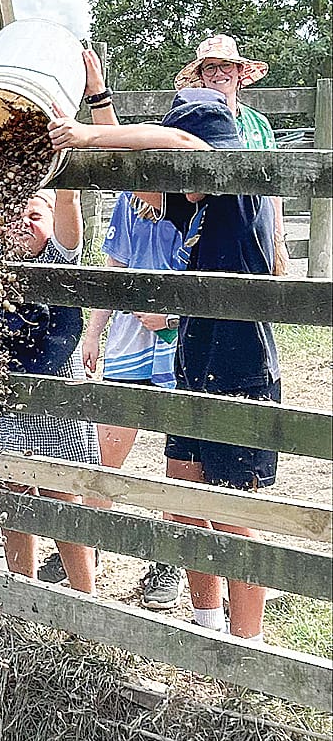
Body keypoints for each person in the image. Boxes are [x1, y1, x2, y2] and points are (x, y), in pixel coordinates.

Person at [50, 88, 279, 641]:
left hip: (239, 370)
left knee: (231, 514)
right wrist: (96, 98)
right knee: (182, 499)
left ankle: (246, 649)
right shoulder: (195, 206)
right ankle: (207, 628)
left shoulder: (236, 194)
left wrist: (89, 134)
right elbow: (138, 176)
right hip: (194, 366)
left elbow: (176, 142)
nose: (172, 181)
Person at [0, 187, 100, 593]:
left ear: (52, 224)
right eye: (14, 214)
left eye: (35, 216)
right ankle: (24, 594)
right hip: (2, 389)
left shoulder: (60, 257)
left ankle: (84, 597)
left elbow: (70, 205)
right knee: (10, 491)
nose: (23, 223)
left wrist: (66, 191)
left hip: (53, 393)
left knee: (60, 495)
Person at [79, 187, 190, 609]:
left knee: (179, 460)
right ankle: (87, 543)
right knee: (105, 448)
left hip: (182, 334)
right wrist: (94, 330)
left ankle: (167, 563)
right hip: (130, 335)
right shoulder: (129, 197)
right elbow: (115, 265)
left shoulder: (196, 198)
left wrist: (173, 316)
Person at [174, 34, 289, 275]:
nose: (219, 73)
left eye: (225, 65)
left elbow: (274, 187)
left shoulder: (259, 123)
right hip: (209, 229)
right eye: (210, 68)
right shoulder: (192, 121)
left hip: (258, 228)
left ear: (238, 72)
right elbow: (189, 193)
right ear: (201, 77)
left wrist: (278, 237)